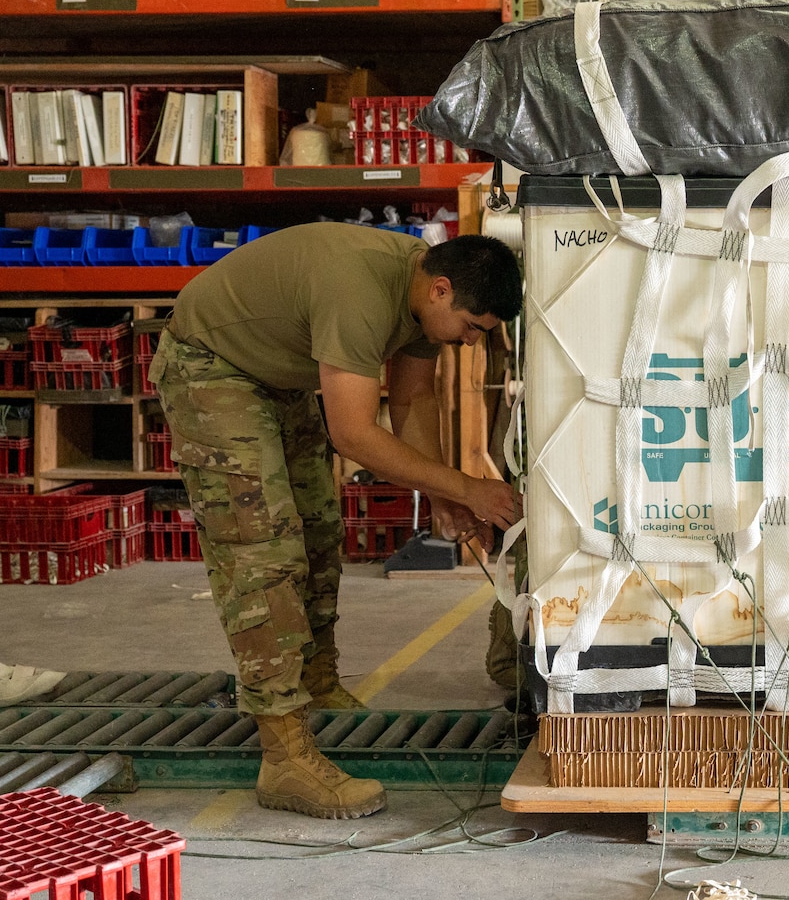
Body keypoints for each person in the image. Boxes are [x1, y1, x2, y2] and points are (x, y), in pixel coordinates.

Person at [148, 224, 523, 819]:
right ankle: (284, 757)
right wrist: (468, 488)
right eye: (472, 328)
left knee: (320, 530)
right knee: (262, 555)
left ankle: (317, 684)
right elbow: (354, 434)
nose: (470, 342)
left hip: (277, 374)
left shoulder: (423, 296)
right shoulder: (360, 292)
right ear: (442, 291)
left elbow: (412, 401)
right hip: (212, 366)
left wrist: (441, 490)